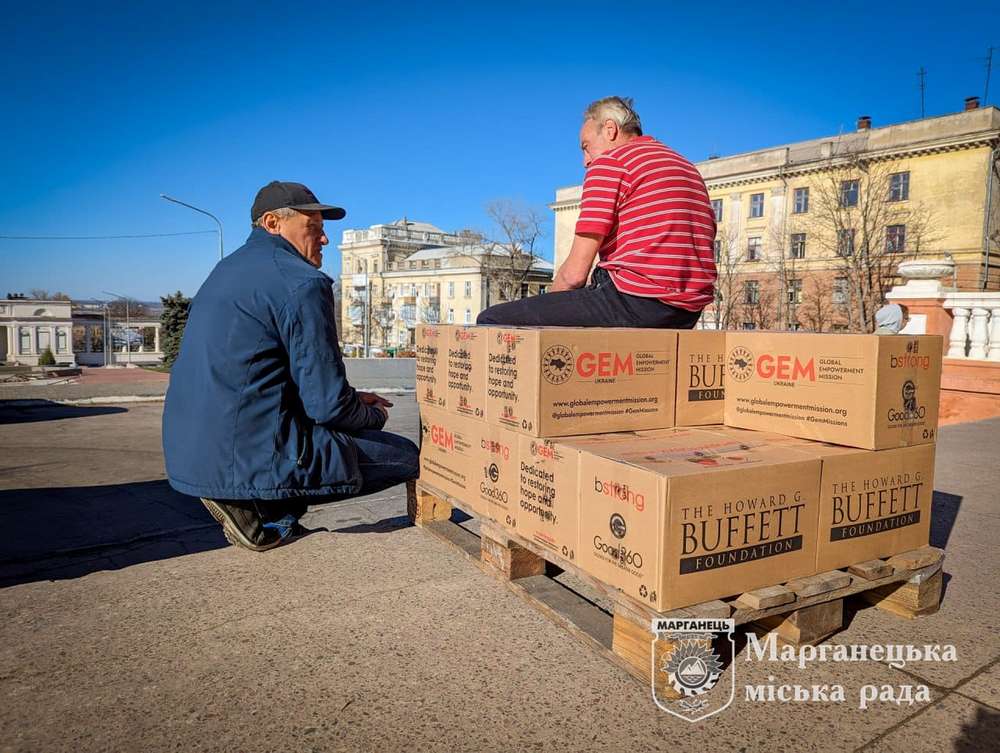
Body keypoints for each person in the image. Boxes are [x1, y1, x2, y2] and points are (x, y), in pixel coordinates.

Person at [162, 181, 419, 552]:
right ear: (272, 223)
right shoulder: (302, 283)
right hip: (241, 456)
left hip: (192, 449)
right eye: (314, 227)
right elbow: (327, 405)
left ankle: (258, 500)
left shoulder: (225, 271)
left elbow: (265, 373)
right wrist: (372, 416)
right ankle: (265, 513)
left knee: (321, 433)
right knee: (405, 455)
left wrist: (351, 399)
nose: (325, 239)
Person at [478, 96, 716, 327]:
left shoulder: (611, 163)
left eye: (586, 147)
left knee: (491, 319)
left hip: (633, 299)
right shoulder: (687, 168)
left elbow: (574, 275)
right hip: (687, 311)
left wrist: (550, 308)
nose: (585, 161)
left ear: (610, 129)